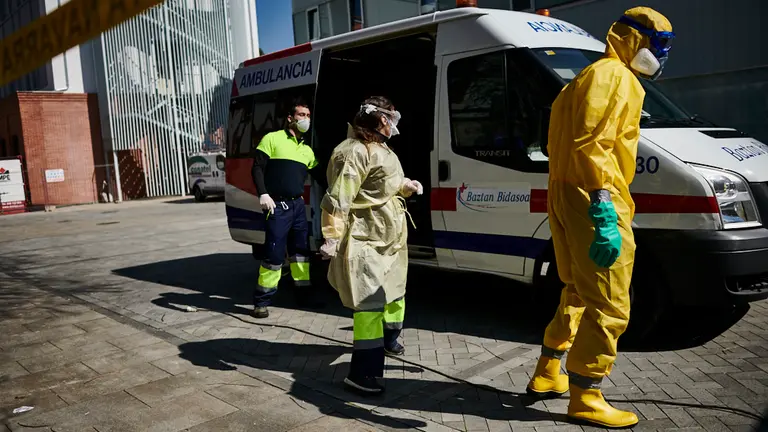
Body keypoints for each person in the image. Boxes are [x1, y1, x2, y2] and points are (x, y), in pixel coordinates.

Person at [526, 7, 674, 429]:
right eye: (657, 45)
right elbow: (593, 145)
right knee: (610, 302)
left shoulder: (585, 77)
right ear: (632, 39)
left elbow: (569, 144)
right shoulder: (615, 77)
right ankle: (586, 396)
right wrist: (603, 204)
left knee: (577, 289)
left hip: (568, 191)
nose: (660, 55)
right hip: (593, 195)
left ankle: (548, 371)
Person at [319, 96, 422, 394]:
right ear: (377, 119)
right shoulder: (354, 152)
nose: (393, 124)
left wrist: (407, 186)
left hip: (388, 235)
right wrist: (331, 237)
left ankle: (389, 340)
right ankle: (362, 372)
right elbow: (339, 199)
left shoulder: (379, 147)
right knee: (369, 304)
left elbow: (384, 182)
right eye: (390, 117)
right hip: (365, 238)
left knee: (394, 292)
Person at [251, 99, 323, 318]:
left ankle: (303, 295)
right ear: (290, 118)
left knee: (301, 252)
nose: (306, 120)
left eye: (308, 116)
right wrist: (263, 193)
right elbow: (257, 168)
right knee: (273, 254)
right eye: (302, 115)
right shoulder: (272, 139)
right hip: (277, 205)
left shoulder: (307, 151)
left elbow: (322, 177)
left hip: (298, 205)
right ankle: (261, 301)